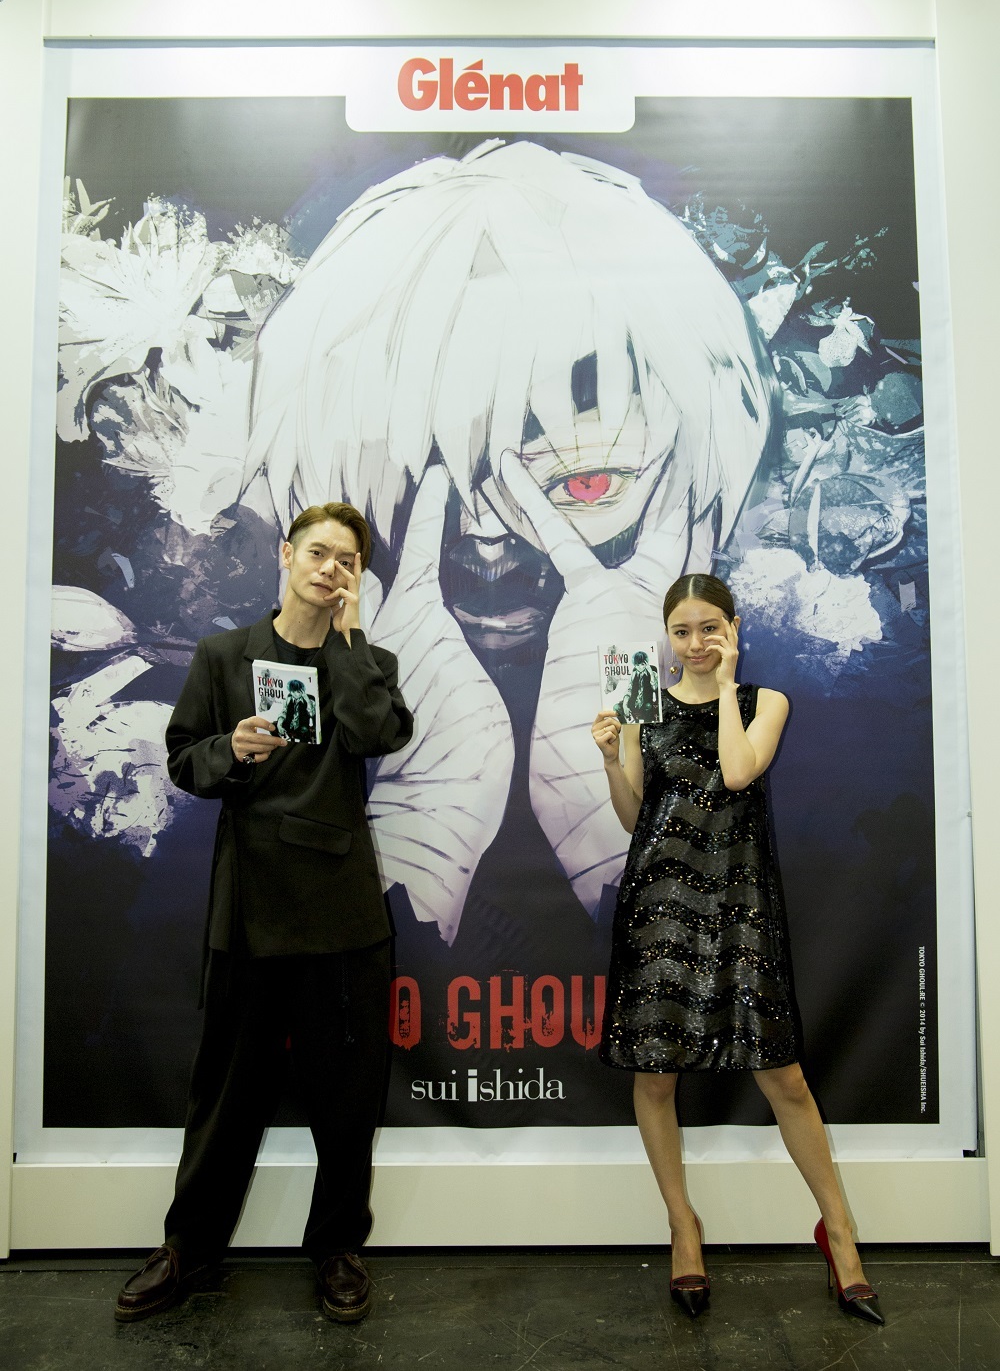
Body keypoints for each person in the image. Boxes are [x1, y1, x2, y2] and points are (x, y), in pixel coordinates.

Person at [244, 139, 775, 944]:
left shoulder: (759, 714)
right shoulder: (275, 693)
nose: (487, 539)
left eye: (584, 483)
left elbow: (703, 987)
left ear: (689, 477)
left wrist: (606, 789)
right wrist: (429, 801)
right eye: (418, 491)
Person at [114, 501, 413, 1325]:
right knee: (225, 1095)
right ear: (286, 554)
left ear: (358, 576)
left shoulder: (369, 659)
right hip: (249, 906)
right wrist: (232, 751)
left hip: (343, 912)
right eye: (318, 553)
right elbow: (184, 759)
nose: (330, 569)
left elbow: (376, 734)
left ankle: (339, 1247)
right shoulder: (224, 655)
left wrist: (350, 640)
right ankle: (188, 1247)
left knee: (347, 1098)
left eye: (346, 560)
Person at [592, 572, 884, 1326]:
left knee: (783, 1075)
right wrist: (611, 755)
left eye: (709, 628)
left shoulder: (766, 702)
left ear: (733, 627)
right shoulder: (642, 706)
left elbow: (737, 771)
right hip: (658, 905)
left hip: (740, 905)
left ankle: (839, 1232)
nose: (695, 643)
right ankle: (682, 1227)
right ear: (666, 636)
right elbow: (632, 817)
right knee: (655, 1074)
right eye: (682, 632)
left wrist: (723, 688)